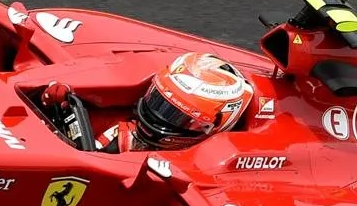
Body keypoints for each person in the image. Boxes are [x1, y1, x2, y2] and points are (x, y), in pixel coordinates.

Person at [95, 52, 256, 152]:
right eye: (158, 101)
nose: (156, 117)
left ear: (215, 125)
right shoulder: (122, 139)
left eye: (177, 117)